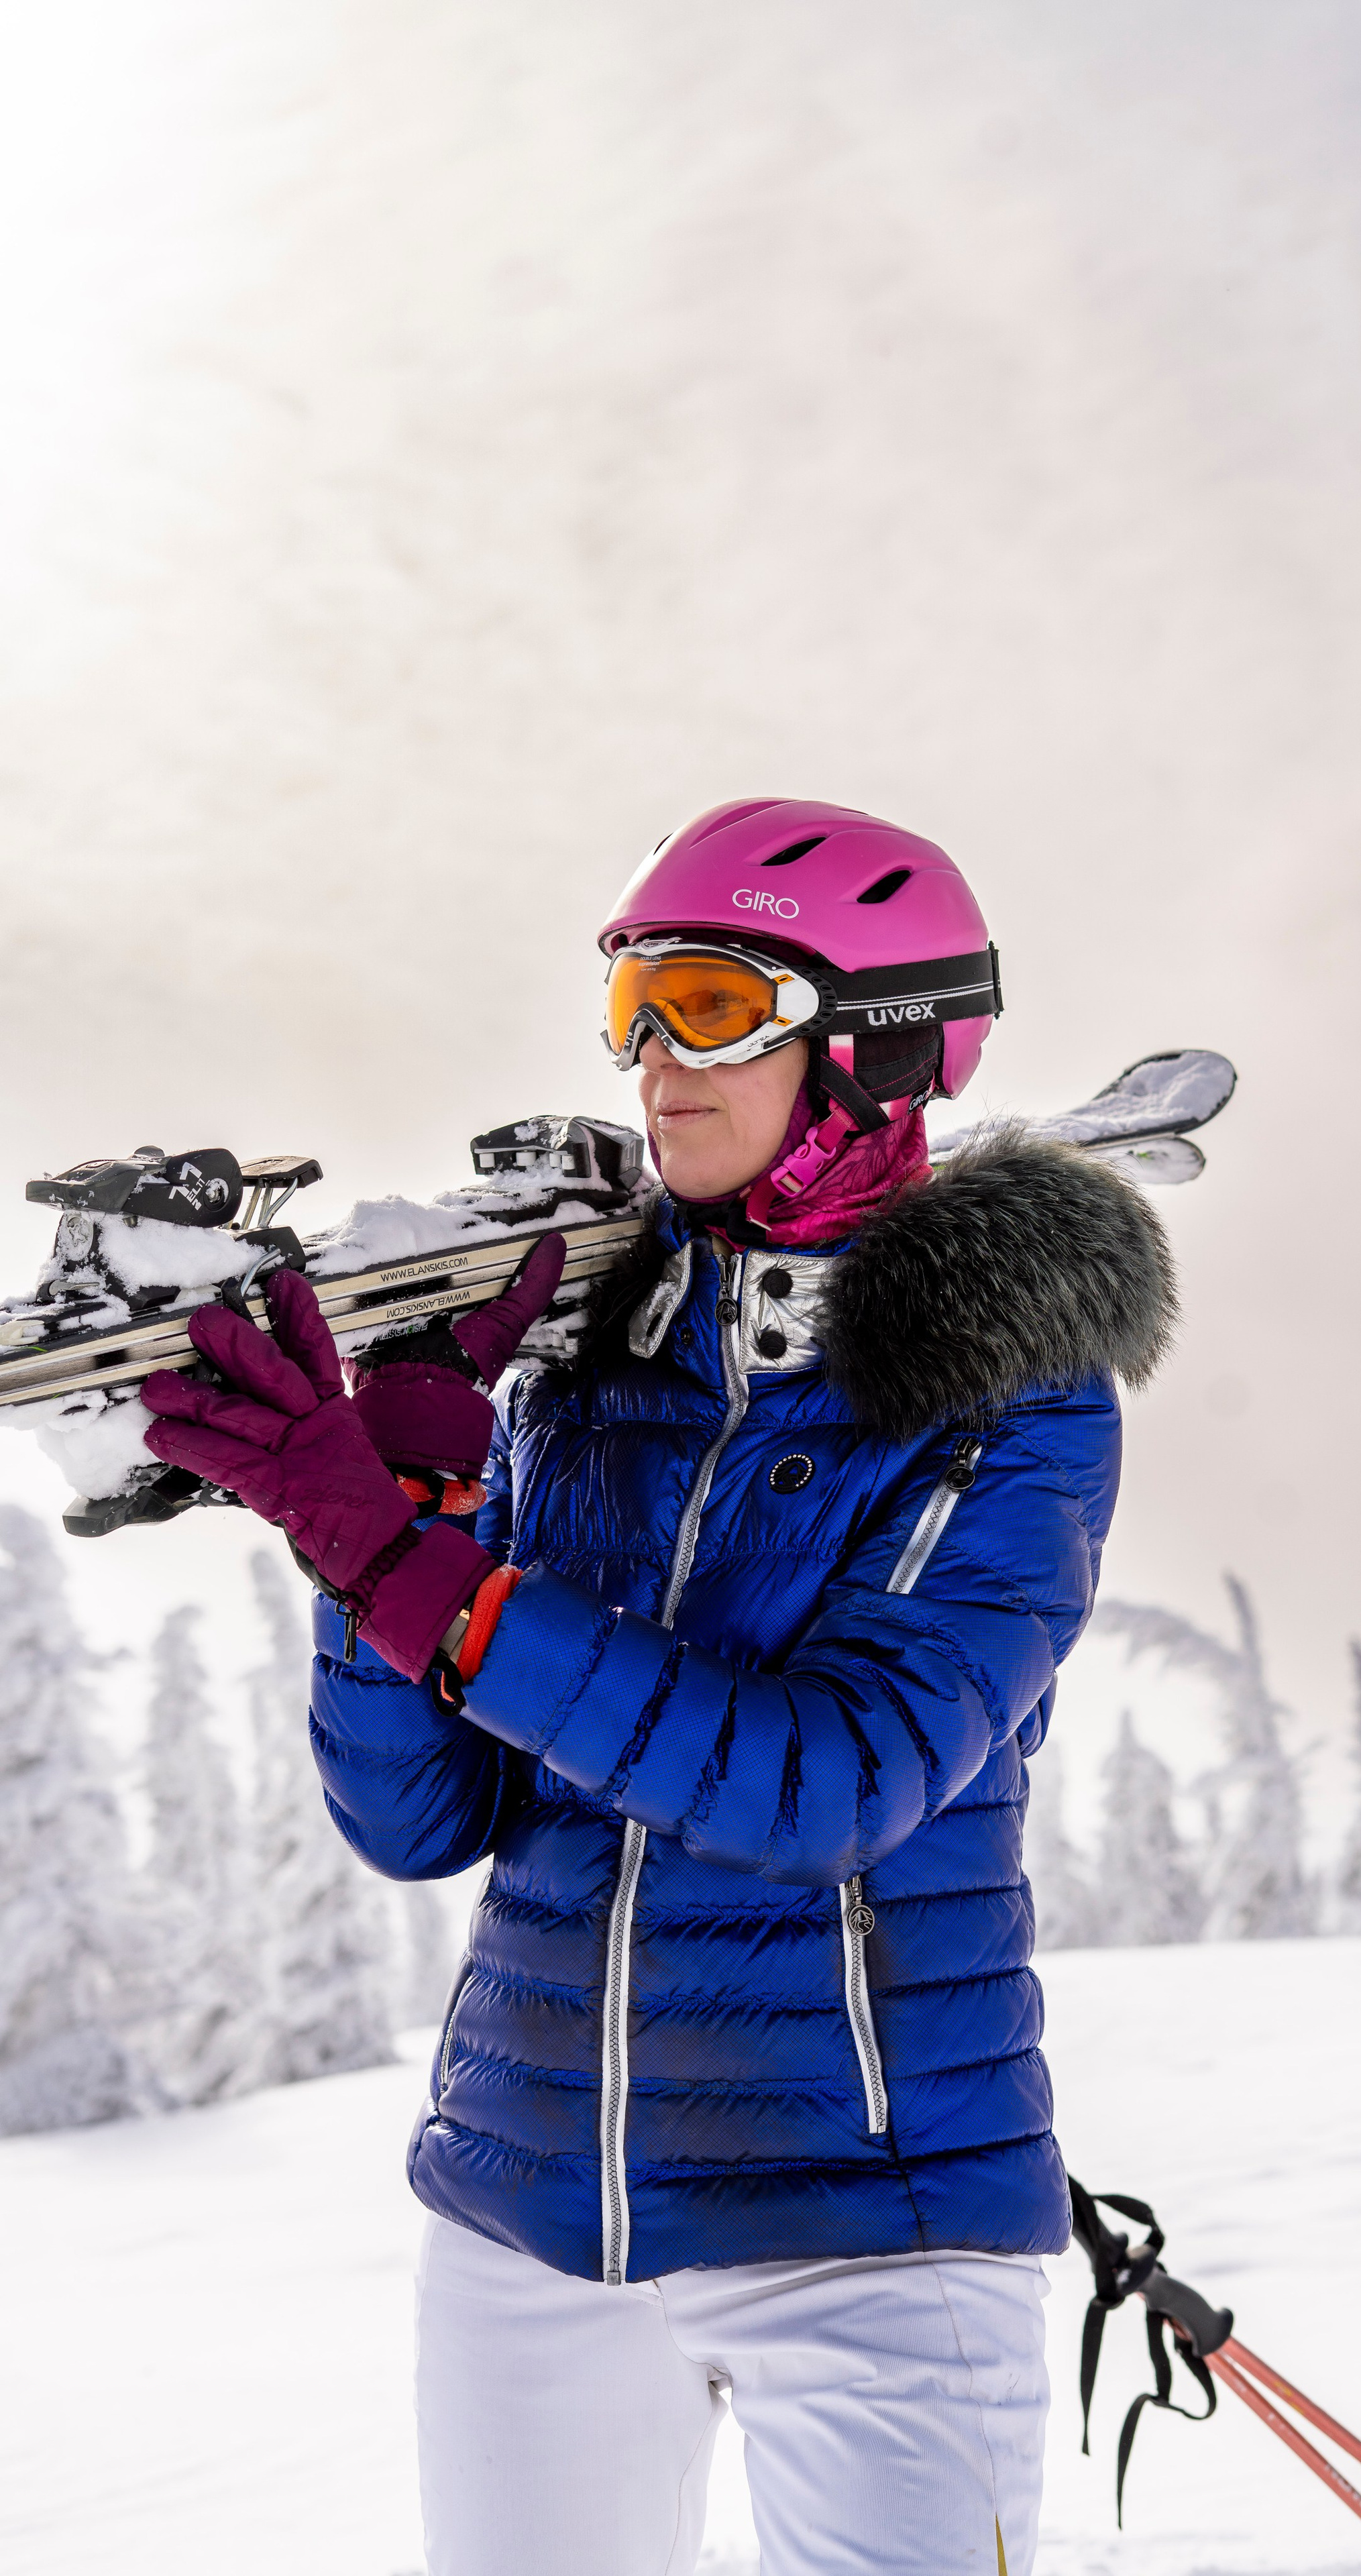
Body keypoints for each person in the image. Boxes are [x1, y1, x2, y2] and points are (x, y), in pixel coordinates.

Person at [140, 798, 1175, 2576]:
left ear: (872, 1048)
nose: (651, 1068)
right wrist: (383, 1536)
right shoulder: (586, 1363)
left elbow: (827, 1782)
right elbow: (418, 1820)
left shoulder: (1016, 1394)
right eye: (630, 1010)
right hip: (526, 2212)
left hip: (875, 2229)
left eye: (705, 1009)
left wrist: (418, 1578)